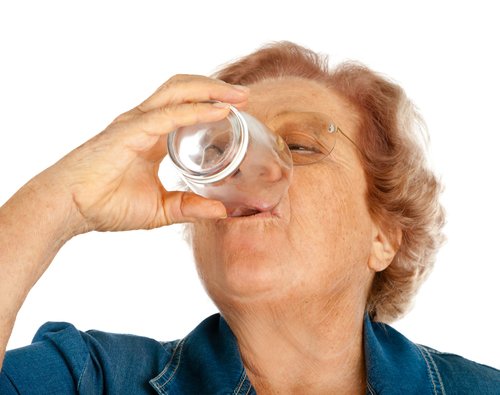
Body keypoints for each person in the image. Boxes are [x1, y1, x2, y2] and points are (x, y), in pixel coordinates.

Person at [0, 42, 498, 394]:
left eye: (300, 146)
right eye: (219, 151)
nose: (245, 170)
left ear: (384, 236)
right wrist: (64, 200)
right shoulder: (94, 378)